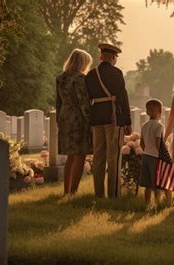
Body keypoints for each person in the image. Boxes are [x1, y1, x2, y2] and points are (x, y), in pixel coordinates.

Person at [85, 43, 132, 198]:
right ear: (112, 57)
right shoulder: (116, 73)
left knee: (98, 157)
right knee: (113, 156)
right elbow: (122, 98)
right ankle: (113, 194)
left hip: (96, 117)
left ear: (101, 56)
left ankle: (99, 194)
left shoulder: (91, 75)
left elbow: (88, 99)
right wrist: (127, 121)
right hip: (113, 117)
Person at [56, 48, 93, 195]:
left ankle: (66, 191)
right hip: (78, 118)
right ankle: (73, 192)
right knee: (80, 154)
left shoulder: (60, 78)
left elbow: (58, 102)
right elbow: (83, 102)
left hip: (64, 116)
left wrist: (59, 119)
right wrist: (90, 121)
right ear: (82, 63)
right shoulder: (80, 79)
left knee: (70, 156)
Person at [139, 99, 165, 207]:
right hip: (155, 156)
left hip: (146, 156)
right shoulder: (159, 126)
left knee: (147, 184)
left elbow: (141, 143)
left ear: (147, 112)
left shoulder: (144, 126)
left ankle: (147, 204)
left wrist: (146, 150)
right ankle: (158, 203)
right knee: (157, 183)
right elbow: (158, 142)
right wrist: (162, 154)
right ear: (160, 111)